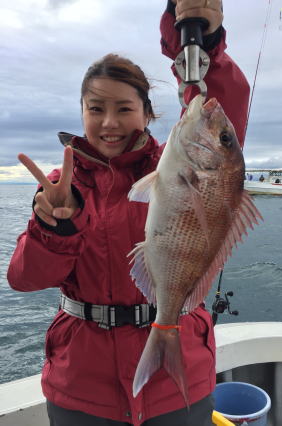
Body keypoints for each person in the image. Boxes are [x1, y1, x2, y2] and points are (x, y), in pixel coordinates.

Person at [7, 1, 250, 425]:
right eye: (95, 108)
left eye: (124, 108)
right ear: (81, 112)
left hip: (179, 383)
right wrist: (55, 228)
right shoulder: (60, 187)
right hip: (82, 385)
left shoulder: (173, 164)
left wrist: (201, 38)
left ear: (148, 112)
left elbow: (218, 101)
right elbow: (25, 279)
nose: (109, 123)